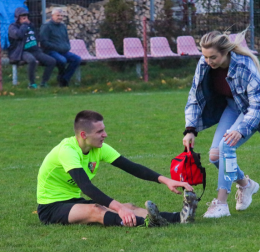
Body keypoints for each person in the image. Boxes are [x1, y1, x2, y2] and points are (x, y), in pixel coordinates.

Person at [37, 110, 198, 227]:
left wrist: (166, 180)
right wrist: (119, 208)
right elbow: (86, 187)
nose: (105, 134)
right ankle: (150, 223)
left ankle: (179, 217)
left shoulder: (99, 148)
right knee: (97, 210)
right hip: (51, 207)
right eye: (100, 131)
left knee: (130, 207)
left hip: (74, 201)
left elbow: (132, 168)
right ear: (84, 135)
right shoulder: (67, 151)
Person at [183, 29, 260, 218]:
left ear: (225, 52)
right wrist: (190, 129)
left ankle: (221, 204)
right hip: (232, 106)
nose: (208, 61)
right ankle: (246, 185)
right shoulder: (204, 63)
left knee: (227, 146)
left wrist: (241, 130)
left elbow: (257, 105)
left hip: (251, 109)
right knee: (215, 156)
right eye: (205, 56)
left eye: (213, 57)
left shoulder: (244, 65)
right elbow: (194, 95)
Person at [8, 7, 56, 89]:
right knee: (32, 60)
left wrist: (38, 46)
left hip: (35, 50)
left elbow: (37, 36)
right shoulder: (13, 27)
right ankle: (32, 84)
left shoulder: (30, 25)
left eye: (26, 15)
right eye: (22, 15)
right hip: (22, 51)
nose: (25, 17)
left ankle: (44, 83)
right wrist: (24, 25)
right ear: (17, 17)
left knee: (51, 61)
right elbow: (18, 35)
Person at [40, 8, 81, 87]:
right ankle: (61, 78)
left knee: (77, 59)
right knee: (62, 60)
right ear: (52, 16)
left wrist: (67, 46)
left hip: (63, 51)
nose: (60, 17)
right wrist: (56, 47)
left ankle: (64, 79)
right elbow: (43, 42)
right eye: (58, 15)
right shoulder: (46, 26)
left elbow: (66, 39)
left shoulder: (63, 26)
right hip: (51, 51)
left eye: (61, 16)